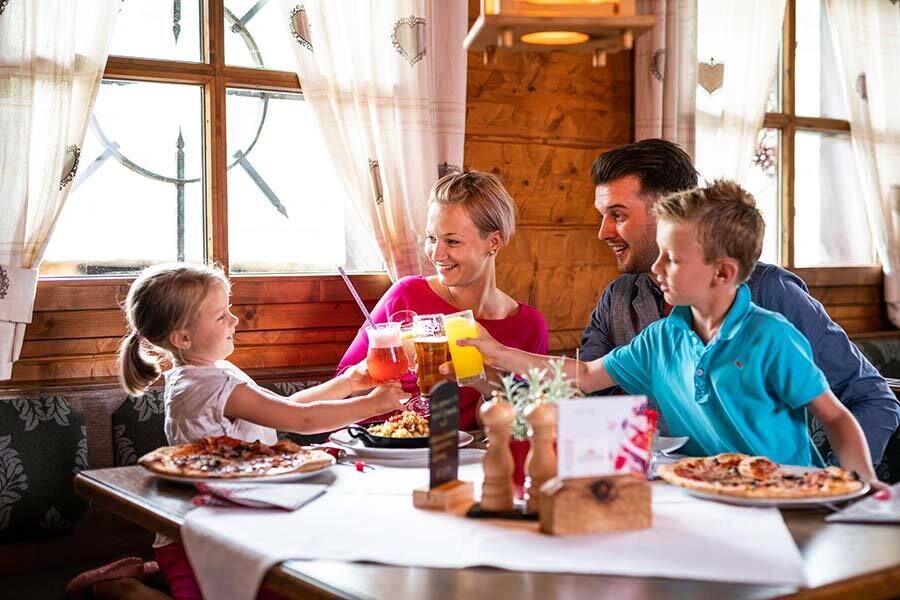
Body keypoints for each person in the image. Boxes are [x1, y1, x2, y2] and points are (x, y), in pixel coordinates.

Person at [455, 181, 881, 485]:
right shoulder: (661, 338)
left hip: (785, 496)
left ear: (723, 272)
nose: (656, 269)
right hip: (701, 493)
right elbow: (583, 376)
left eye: (672, 259)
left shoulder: (772, 337)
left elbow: (837, 417)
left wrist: (858, 485)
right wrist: (495, 350)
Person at [68, 263, 408, 600]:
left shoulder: (211, 372)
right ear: (183, 338)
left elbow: (280, 409)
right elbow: (299, 419)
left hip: (239, 522)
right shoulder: (209, 385)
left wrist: (348, 384)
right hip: (195, 537)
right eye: (220, 316)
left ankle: (153, 574)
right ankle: (118, 587)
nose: (234, 319)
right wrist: (372, 405)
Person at [580, 138, 899, 465]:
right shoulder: (617, 299)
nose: (603, 232)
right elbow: (585, 387)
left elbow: (870, 397)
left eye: (617, 215)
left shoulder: (772, 293)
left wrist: (838, 487)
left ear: (669, 211)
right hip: (668, 494)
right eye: (603, 215)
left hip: (773, 495)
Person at [337, 171, 549, 430]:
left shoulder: (529, 325)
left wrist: (485, 377)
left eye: (452, 241)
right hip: (373, 450)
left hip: (463, 460)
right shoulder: (406, 294)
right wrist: (387, 364)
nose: (436, 253)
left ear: (493, 242)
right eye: (431, 238)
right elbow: (343, 390)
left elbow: (528, 424)